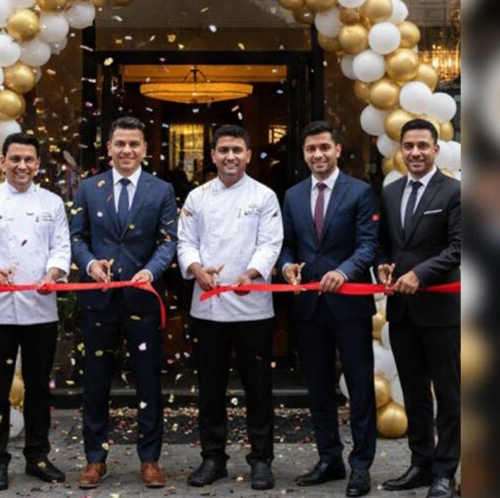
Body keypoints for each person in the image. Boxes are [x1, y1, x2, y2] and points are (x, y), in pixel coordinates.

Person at [0, 134, 70, 491]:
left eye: (29, 160)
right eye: (16, 159)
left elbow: (61, 248)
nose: (22, 166)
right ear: (3, 161)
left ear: (38, 164)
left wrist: (53, 272)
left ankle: (37, 456)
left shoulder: (52, 203)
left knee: (38, 387)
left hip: (40, 309)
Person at [69, 116, 177, 490]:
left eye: (134, 144)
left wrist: (152, 270)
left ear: (145, 149)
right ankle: (94, 459)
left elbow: (168, 240)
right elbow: (77, 237)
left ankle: (150, 459)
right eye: (120, 144)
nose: (127, 150)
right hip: (98, 301)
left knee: (148, 381)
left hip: (142, 298)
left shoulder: (161, 190)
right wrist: (89, 262)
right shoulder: (89, 188)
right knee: (96, 382)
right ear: (109, 148)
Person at [177, 125, 283, 491]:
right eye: (223, 150)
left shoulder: (265, 196)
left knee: (258, 387)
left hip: (252, 305)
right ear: (212, 156)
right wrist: (196, 269)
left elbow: (271, 244)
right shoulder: (196, 197)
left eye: (237, 150)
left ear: (249, 155)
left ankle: (261, 460)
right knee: (210, 386)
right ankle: (213, 457)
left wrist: (250, 272)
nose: (230, 157)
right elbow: (185, 242)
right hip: (207, 307)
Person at [278, 121, 379, 497]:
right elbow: (287, 244)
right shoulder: (292, 195)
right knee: (318, 388)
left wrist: (344, 271)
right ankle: (329, 458)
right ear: (304, 154)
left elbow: (368, 244)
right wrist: (287, 265)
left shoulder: (360, 192)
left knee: (359, 387)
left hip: (350, 304)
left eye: (324, 147)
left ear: (337, 150)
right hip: (308, 306)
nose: (317, 155)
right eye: (310, 150)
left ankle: (361, 465)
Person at [376, 119, 461, 498]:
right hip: (402, 312)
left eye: (422, 146)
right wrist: (380, 265)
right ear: (401, 149)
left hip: (441, 311)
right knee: (414, 393)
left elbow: (459, 247)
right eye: (408, 146)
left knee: (449, 394)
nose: (415, 153)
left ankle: (446, 472)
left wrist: (419, 274)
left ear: (436, 149)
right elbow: (383, 244)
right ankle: (420, 464)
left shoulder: (455, 192)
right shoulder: (390, 192)